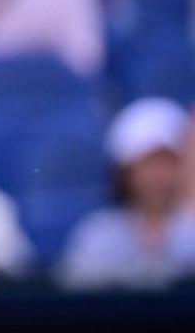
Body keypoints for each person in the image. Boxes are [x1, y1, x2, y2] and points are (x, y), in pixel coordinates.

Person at [57, 97, 195, 289]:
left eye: (168, 164)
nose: (158, 176)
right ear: (124, 173)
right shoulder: (97, 236)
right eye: (147, 165)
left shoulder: (191, 231)